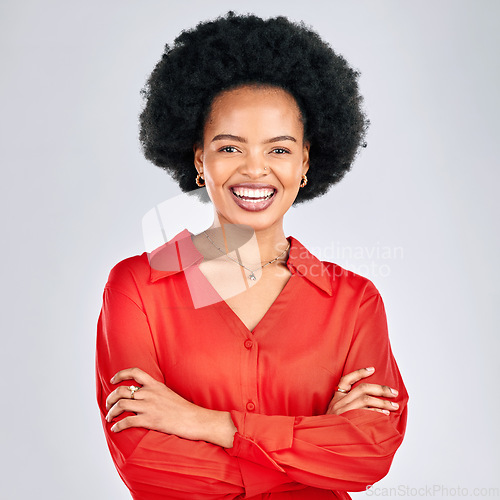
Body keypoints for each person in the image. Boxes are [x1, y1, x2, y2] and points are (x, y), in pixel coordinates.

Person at [96, 12, 408, 500]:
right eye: (230, 147)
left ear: (305, 161)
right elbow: (146, 461)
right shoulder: (138, 287)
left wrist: (207, 424)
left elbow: (369, 453)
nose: (255, 170)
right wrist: (310, 449)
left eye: (279, 150)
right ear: (200, 159)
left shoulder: (354, 303)